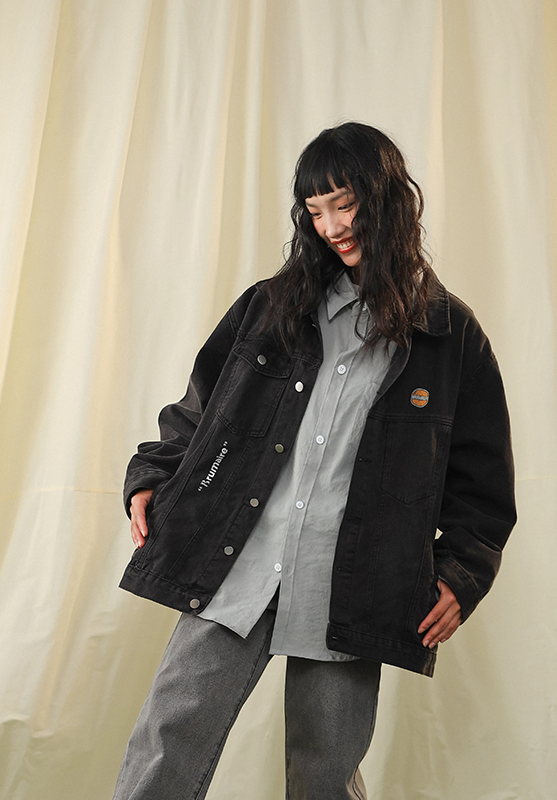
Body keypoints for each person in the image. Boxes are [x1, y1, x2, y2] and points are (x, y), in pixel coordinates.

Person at [113, 121, 516, 799]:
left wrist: (461, 574)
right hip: (239, 560)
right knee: (167, 738)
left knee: (325, 771)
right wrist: (153, 475)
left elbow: (483, 483)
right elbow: (200, 409)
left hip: (353, 581)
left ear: (386, 198)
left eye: (345, 204)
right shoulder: (270, 308)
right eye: (316, 210)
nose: (332, 226)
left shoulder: (449, 335)